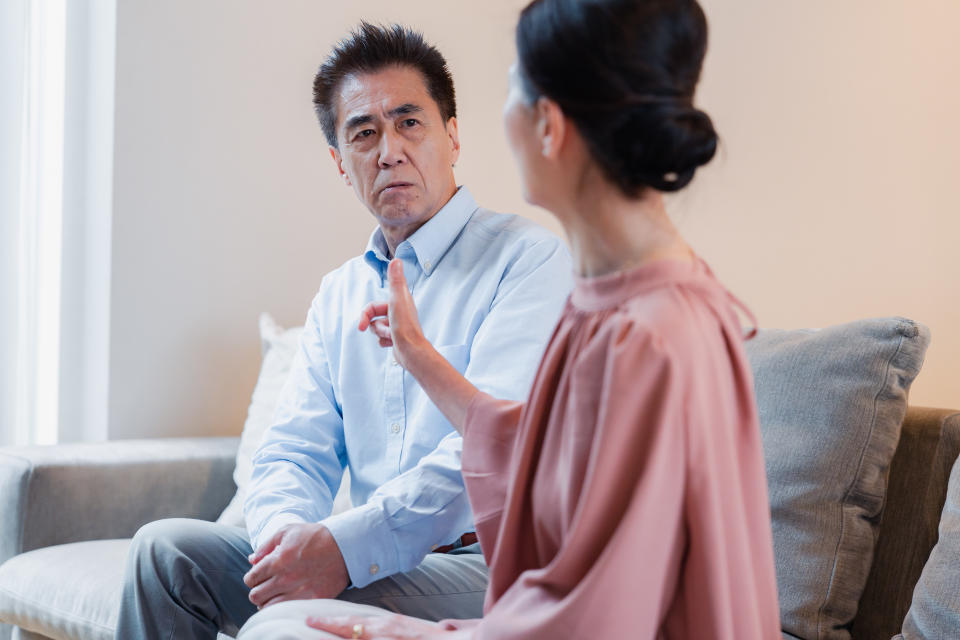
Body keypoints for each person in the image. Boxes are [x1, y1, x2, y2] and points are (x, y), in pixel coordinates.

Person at [236, 0, 781, 638]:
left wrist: (399, 630)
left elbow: (602, 607)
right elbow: (541, 451)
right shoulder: (615, 302)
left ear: (546, 125)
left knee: (279, 631)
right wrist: (424, 361)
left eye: (511, 89)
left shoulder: (649, 332)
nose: (391, 152)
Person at [113, 23, 573, 640]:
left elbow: (486, 451)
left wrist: (344, 547)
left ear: (452, 135)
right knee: (164, 555)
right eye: (364, 132)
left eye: (410, 122)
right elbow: (292, 450)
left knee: (298, 610)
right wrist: (287, 545)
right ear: (340, 163)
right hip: (375, 559)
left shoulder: (528, 261)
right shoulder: (340, 294)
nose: (389, 150)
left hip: (494, 567)